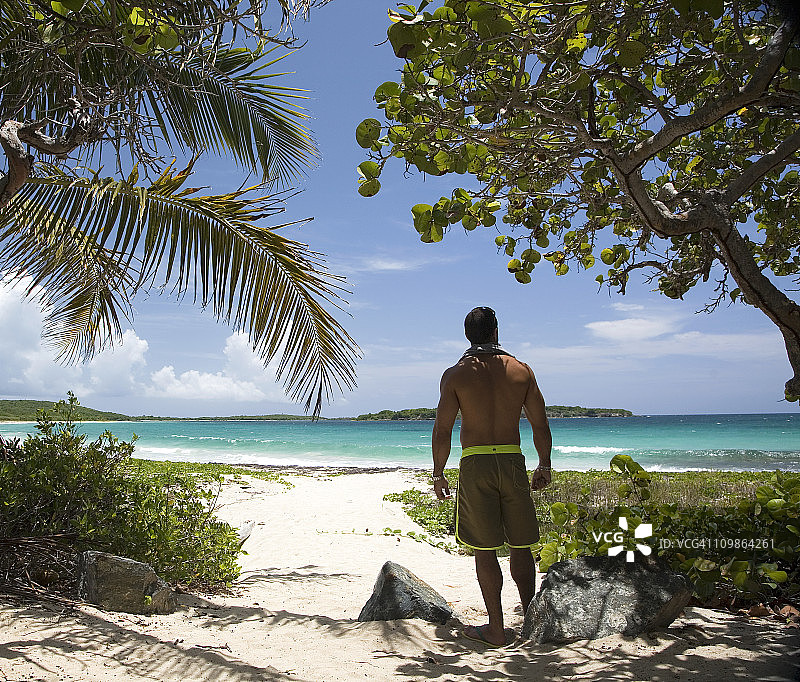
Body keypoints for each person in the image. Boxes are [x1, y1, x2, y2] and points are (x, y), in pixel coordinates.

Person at [432, 306, 552, 648]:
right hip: (512, 460)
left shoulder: (455, 374)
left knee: (484, 549)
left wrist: (438, 472)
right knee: (521, 545)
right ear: (496, 331)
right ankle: (529, 622)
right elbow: (540, 424)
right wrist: (544, 464)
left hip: (476, 463)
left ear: (467, 335)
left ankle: (497, 629)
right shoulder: (521, 370)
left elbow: (442, 430)